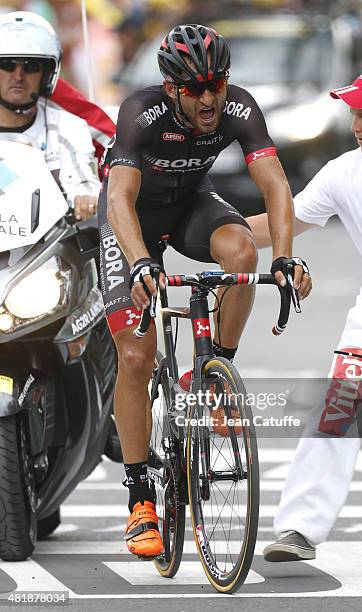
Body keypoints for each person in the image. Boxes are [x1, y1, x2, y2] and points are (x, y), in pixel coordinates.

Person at [98, 23, 311, 560]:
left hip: (191, 204)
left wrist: (284, 258)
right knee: (135, 355)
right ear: (171, 88)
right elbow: (120, 199)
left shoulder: (240, 107)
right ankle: (141, 497)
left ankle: (215, 372)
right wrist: (141, 261)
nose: (209, 96)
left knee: (242, 252)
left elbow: (275, 184)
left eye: (217, 82)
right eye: (194, 87)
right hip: (130, 223)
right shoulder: (139, 113)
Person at [246, 63, 362, 562]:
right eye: (352, 113)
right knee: (338, 406)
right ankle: (299, 528)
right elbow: (284, 223)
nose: (354, 124)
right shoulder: (346, 171)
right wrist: (203, 234)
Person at [0, 11, 101, 221]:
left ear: (47, 75)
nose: (18, 76)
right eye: (7, 65)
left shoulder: (69, 127)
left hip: (47, 249)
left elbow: (84, 181)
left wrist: (86, 197)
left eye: (31, 67)